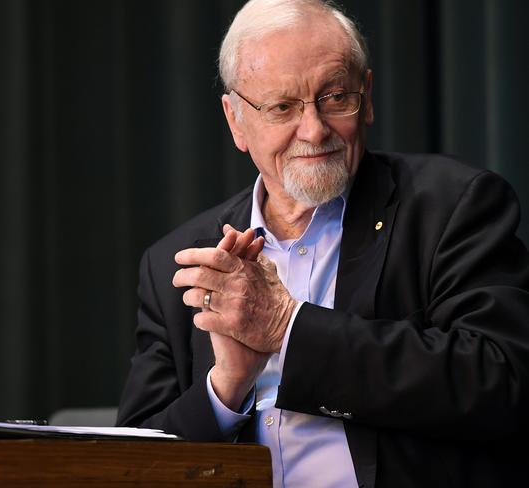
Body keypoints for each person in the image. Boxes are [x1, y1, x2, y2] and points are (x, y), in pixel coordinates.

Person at [116, 0, 529, 486]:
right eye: (282, 107)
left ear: (367, 96)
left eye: (335, 97)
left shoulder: (449, 206)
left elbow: (502, 382)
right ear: (235, 121)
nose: (313, 130)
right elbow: (130, 463)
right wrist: (225, 390)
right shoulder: (179, 261)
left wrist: (286, 329)